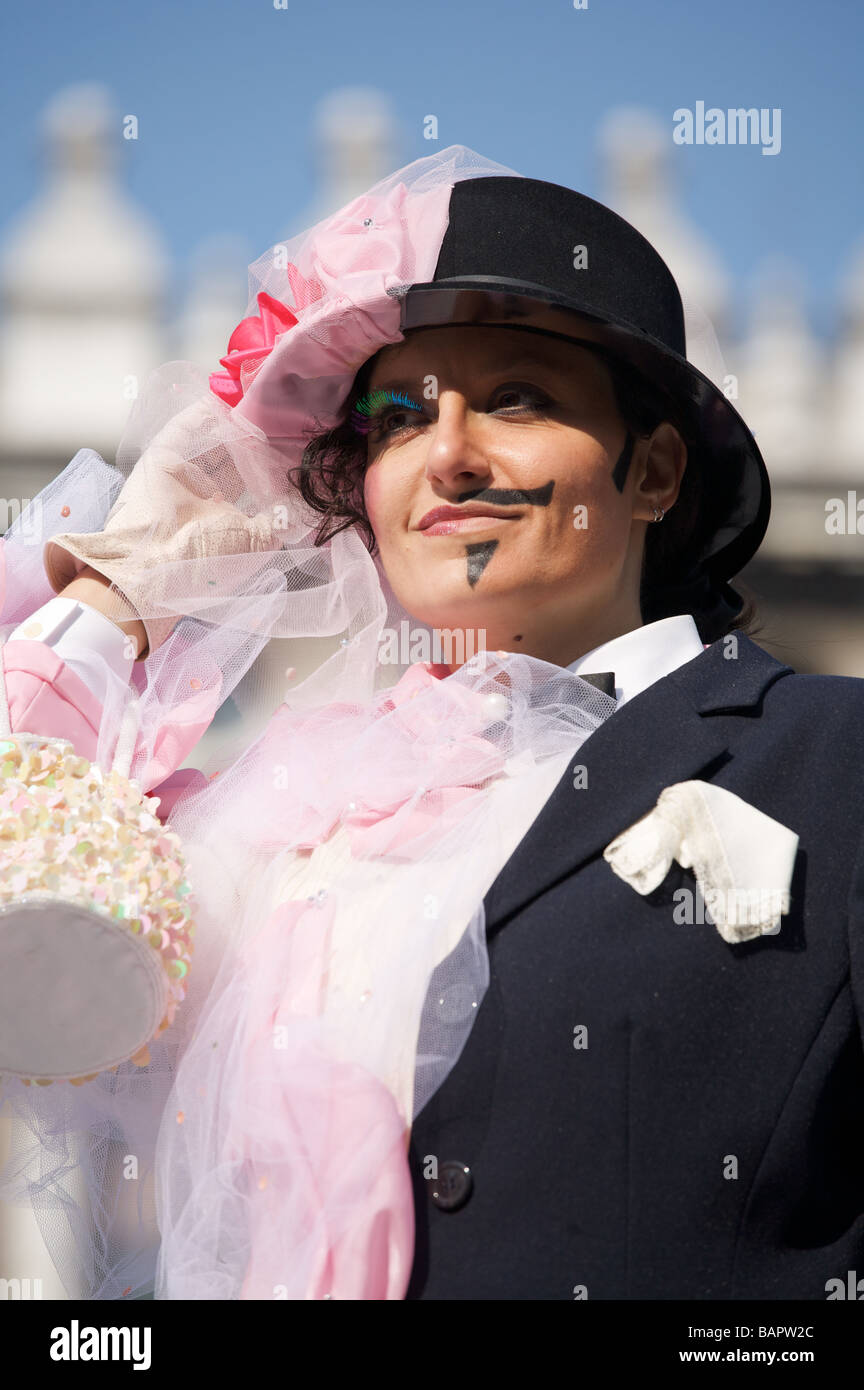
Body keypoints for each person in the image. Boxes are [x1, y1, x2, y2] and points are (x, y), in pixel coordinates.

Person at [0, 142, 862, 1301]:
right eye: (401, 417)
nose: (448, 454)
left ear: (653, 471)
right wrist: (128, 584)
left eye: (516, 397)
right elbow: (28, 866)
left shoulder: (826, 753)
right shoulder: (298, 821)